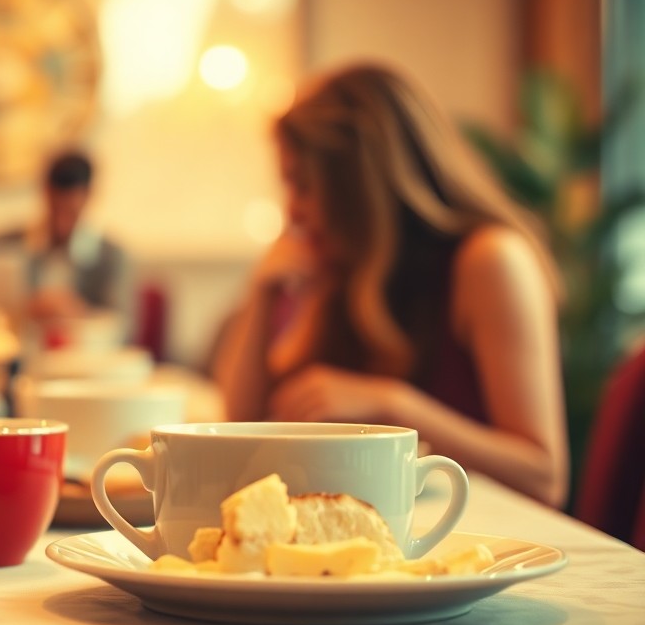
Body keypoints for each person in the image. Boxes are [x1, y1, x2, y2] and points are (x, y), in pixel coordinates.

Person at [215, 63, 569, 506]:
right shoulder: (350, 266)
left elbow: (545, 477)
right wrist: (262, 294)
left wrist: (391, 405)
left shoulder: (489, 261)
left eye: (303, 186)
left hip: (475, 536)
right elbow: (241, 421)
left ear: (359, 186)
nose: (293, 213)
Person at [0, 149, 134, 336]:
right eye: (55, 210)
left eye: (71, 213)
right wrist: (28, 307)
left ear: (89, 196)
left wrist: (78, 313)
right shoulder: (6, 246)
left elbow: (121, 325)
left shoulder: (112, 256)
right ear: (45, 193)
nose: (62, 224)